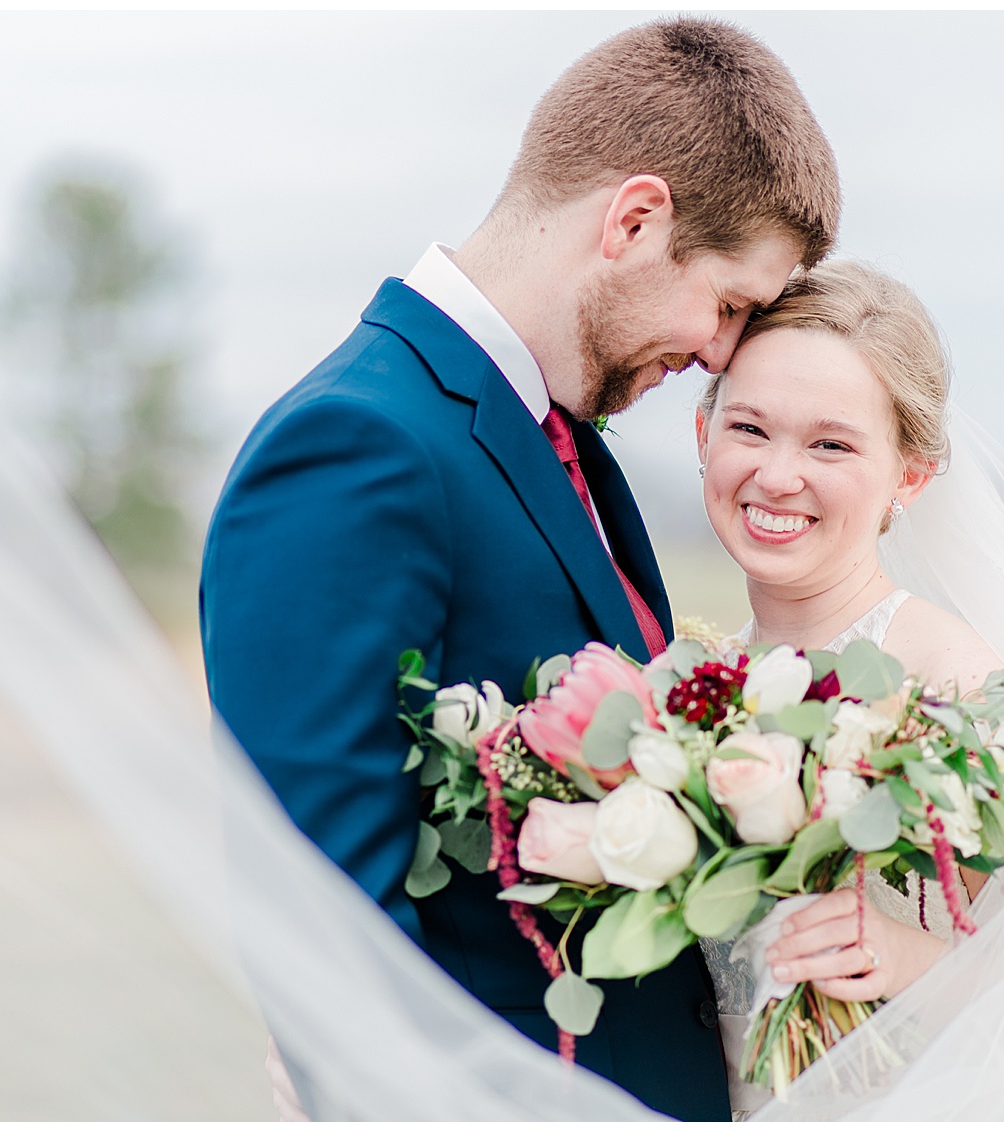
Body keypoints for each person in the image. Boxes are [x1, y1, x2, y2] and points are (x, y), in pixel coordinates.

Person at [199, 16, 839, 1121]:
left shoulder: (564, 443)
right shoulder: (358, 450)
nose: (721, 355)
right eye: (730, 303)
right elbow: (324, 936)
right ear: (635, 220)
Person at [690, 260, 1004, 1118]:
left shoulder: (961, 688)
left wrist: (909, 961)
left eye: (831, 444)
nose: (777, 475)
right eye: (750, 428)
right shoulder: (691, 686)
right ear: (703, 435)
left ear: (908, 477)